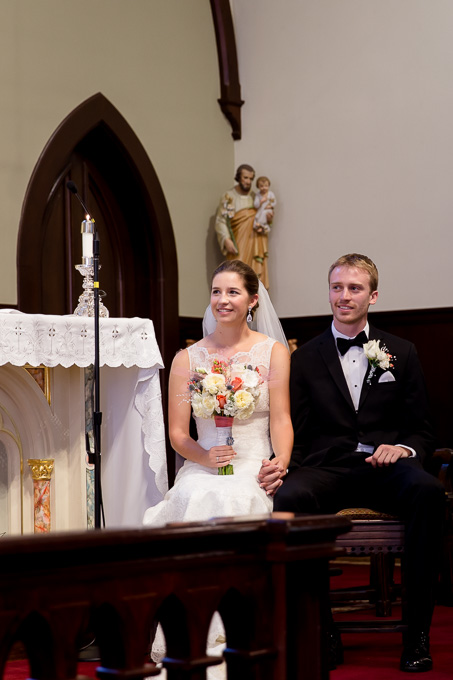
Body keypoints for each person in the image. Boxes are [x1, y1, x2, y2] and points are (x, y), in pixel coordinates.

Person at [259, 253, 445, 673]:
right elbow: (297, 428)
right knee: (290, 495)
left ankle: (417, 635)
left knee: (429, 493)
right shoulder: (302, 358)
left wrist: (405, 450)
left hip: (385, 469)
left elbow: (423, 430)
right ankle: (323, 632)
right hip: (328, 468)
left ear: (373, 296)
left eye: (354, 288)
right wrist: (285, 463)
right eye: (337, 287)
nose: (343, 296)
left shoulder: (402, 351)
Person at [143, 260, 292, 677]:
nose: (222, 300)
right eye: (216, 292)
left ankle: (243, 635)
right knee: (195, 495)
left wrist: (280, 462)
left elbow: (280, 419)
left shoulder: (273, 352)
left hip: (253, 461)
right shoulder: (187, 358)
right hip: (204, 461)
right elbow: (178, 434)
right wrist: (204, 457)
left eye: (232, 292)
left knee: (241, 495)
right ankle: (191, 635)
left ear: (252, 300)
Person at [214, 165, 272, 289]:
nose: (248, 181)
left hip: (255, 243)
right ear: (239, 177)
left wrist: (268, 218)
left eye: (251, 179)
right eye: (245, 178)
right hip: (238, 245)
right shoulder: (228, 196)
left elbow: (262, 218)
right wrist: (226, 240)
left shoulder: (255, 197)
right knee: (237, 277)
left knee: (254, 279)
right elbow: (221, 221)